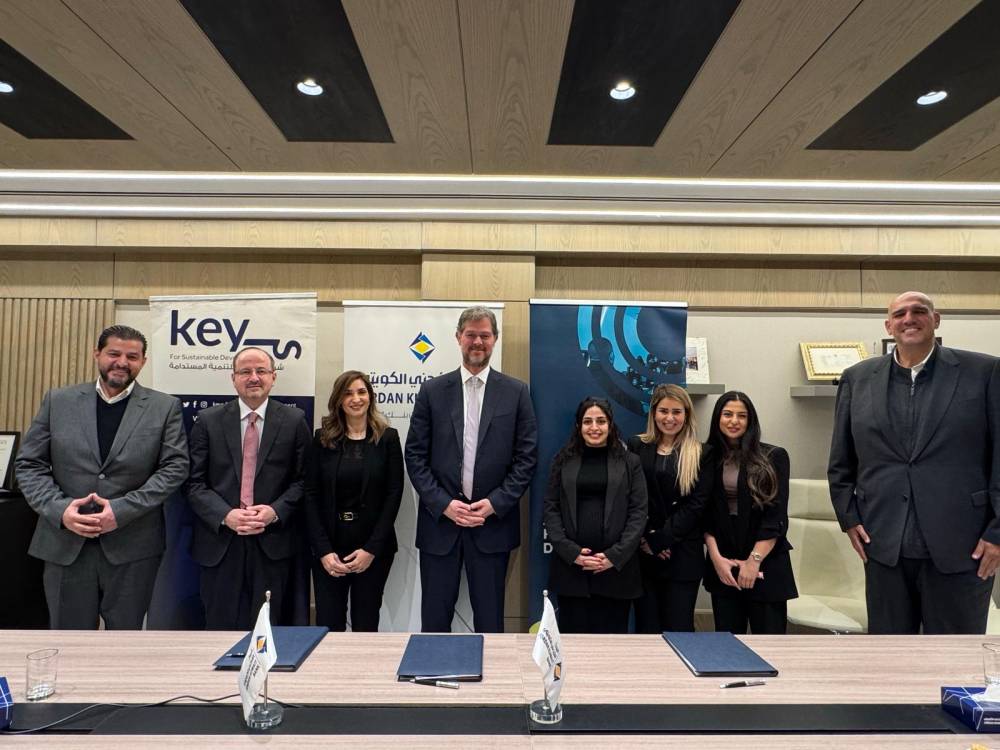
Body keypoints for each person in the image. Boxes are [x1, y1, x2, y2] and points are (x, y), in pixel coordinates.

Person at [828, 291, 1000, 634]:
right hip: (884, 546)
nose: (909, 318)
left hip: (964, 547)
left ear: (935, 320)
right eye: (900, 313)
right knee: (890, 656)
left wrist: (997, 533)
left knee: (954, 657)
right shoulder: (857, 378)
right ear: (888, 325)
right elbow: (840, 460)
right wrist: (848, 517)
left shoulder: (984, 372)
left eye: (919, 311)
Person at [15, 324, 188, 629]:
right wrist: (61, 510)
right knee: (67, 642)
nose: (122, 362)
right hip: (65, 544)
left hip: (133, 548)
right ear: (97, 354)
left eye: (132, 357)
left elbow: (174, 468)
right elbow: (29, 464)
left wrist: (120, 511)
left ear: (143, 361)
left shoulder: (164, 407)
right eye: (114, 353)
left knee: (124, 644)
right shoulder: (58, 401)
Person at [405, 305, 538, 633]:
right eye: (471, 335)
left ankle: (490, 671)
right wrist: (444, 504)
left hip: (492, 527)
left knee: (490, 623)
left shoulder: (516, 392)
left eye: (485, 335)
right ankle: (434, 667)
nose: (478, 342)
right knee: (435, 622)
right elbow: (415, 456)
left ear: (495, 339)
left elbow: (526, 458)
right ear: (458, 338)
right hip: (440, 526)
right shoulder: (432, 391)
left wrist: (494, 504)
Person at [187, 346, 310, 629]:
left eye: (261, 371)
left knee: (268, 629)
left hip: (273, 544)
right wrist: (225, 515)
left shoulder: (294, 421)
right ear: (233, 378)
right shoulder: (208, 421)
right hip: (221, 545)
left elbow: (304, 481)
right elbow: (193, 483)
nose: (254, 377)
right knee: (219, 630)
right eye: (245, 372)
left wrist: (275, 512)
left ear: (273, 377)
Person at [302, 371, 403, 631]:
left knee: (366, 622)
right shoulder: (322, 438)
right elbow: (310, 495)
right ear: (338, 400)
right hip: (330, 546)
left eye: (361, 392)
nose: (356, 399)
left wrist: (371, 550)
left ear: (370, 396)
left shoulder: (388, 438)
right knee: (328, 623)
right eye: (348, 393)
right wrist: (323, 551)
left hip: (372, 548)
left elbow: (393, 495)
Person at [543, 397, 647, 633]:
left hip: (616, 571)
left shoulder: (630, 462)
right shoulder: (562, 460)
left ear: (610, 425)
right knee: (573, 642)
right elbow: (551, 507)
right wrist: (571, 553)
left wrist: (614, 556)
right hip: (572, 571)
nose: (594, 427)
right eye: (587, 421)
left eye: (601, 421)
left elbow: (639, 512)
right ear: (578, 426)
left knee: (610, 645)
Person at [703, 391, 797, 634]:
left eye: (741, 416)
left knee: (769, 646)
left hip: (765, 561)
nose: (734, 421)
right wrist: (716, 558)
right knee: (727, 646)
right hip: (724, 562)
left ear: (750, 420)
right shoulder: (707, 457)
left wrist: (753, 561)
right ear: (717, 418)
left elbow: (776, 518)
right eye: (727, 414)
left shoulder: (773, 457)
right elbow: (704, 515)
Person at [627, 384, 713, 632]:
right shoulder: (636, 446)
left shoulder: (702, 453)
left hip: (683, 556)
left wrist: (661, 540)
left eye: (677, 412)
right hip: (644, 555)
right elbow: (631, 497)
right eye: (664, 411)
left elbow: (696, 505)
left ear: (686, 415)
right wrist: (647, 539)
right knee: (647, 630)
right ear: (654, 413)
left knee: (679, 629)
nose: (670, 418)